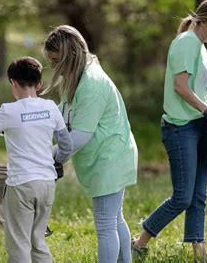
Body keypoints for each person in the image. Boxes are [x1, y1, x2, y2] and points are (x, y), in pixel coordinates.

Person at [131, 0, 207, 261]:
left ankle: (200, 254)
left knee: (200, 194)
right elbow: (180, 87)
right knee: (183, 197)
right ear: (206, 20)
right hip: (180, 129)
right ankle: (139, 242)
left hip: (198, 125)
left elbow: (195, 91)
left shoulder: (200, 45)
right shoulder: (186, 43)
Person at [42, 25, 138, 263]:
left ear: (69, 56)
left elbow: (79, 137)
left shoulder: (91, 83)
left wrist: (46, 157)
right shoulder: (77, 78)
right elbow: (66, 119)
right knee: (115, 219)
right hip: (109, 155)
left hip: (109, 157)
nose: (53, 67)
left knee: (106, 225)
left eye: (55, 61)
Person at [0, 56, 73, 263]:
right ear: (39, 84)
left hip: (20, 185)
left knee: (19, 244)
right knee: (37, 241)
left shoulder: (8, 111)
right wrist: (58, 162)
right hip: (47, 185)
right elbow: (66, 146)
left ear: (13, 82)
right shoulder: (51, 108)